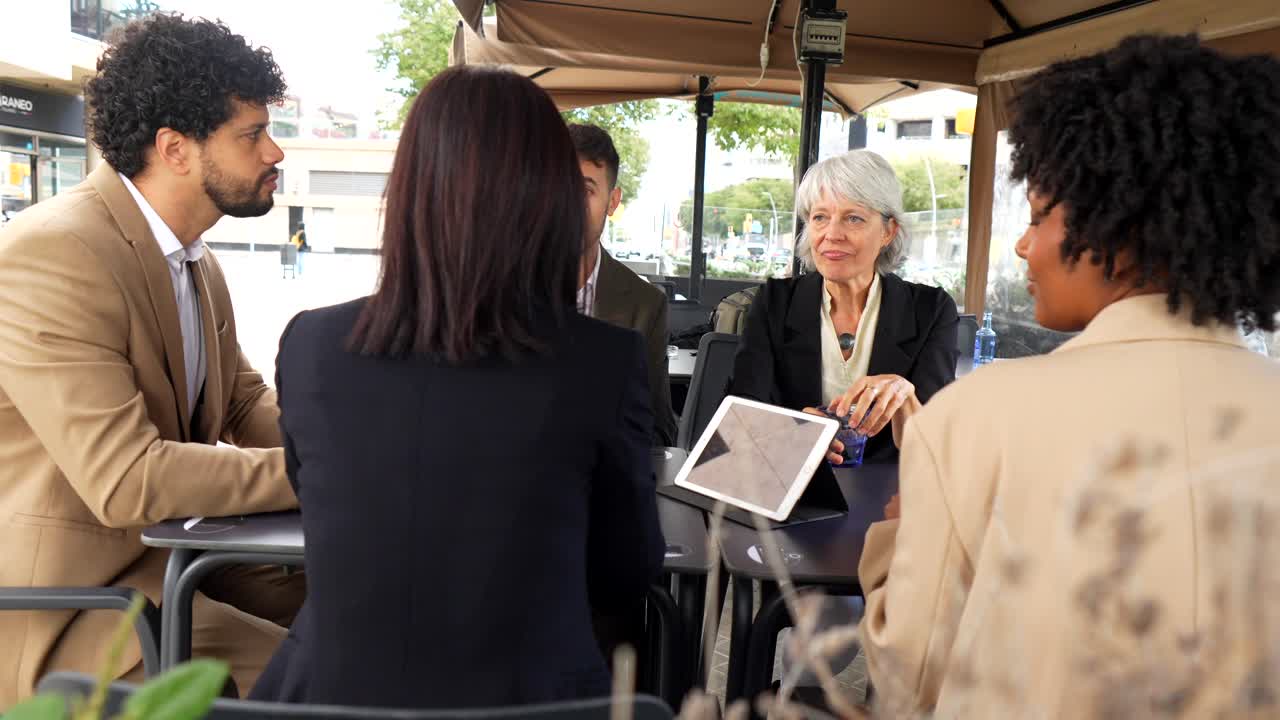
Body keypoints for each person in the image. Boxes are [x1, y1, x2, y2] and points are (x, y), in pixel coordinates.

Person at [858, 34, 1280, 716]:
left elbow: (909, 682)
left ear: (1122, 224)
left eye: (1038, 216)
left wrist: (895, 540)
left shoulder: (977, 417)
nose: (1024, 245)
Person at [249, 66, 665, 709]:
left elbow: (328, 514)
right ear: (546, 198)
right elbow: (625, 572)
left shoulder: (312, 347)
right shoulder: (604, 362)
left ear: (411, 190)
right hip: (536, 701)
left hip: (332, 697)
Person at [0, 14, 304, 704]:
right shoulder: (55, 251)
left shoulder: (193, 259)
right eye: (251, 135)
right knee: (312, 676)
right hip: (71, 605)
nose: (274, 153)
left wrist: (372, 456)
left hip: (170, 561)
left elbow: (242, 403)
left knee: (373, 600)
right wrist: (320, 470)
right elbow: (125, 478)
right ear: (175, 149)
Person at [730, 149, 959, 463]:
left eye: (853, 218)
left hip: (891, 496)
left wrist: (903, 394)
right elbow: (741, 417)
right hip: (795, 488)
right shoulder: (774, 302)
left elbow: (933, 449)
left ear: (888, 231)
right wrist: (793, 429)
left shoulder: (931, 310)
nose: (831, 235)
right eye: (820, 217)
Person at [568, 123, 677, 447]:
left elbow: (659, 429)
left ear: (612, 202)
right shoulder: (505, 289)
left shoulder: (645, 305)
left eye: (586, 190)